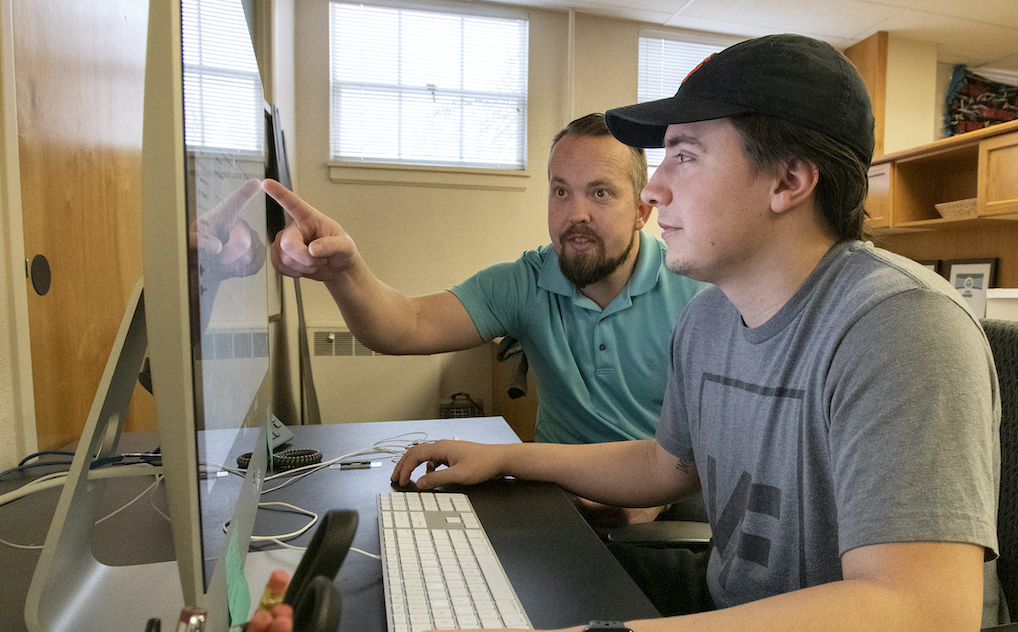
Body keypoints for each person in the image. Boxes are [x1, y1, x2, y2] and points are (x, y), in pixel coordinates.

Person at [287, 34, 1002, 632]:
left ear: (789, 180)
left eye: (685, 156)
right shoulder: (714, 318)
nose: (654, 190)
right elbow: (668, 463)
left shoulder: (899, 325)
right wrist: (509, 455)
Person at [263, 114, 705, 524]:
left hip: (665, 509)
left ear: (642, 212)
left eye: (601, 193)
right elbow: (404, 325)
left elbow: (723, 445)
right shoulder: (526, 281)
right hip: (557, 500)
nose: (576, 215)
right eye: (561, 191)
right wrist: (346, 271)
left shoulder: (698, 291)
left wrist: (653, 501)